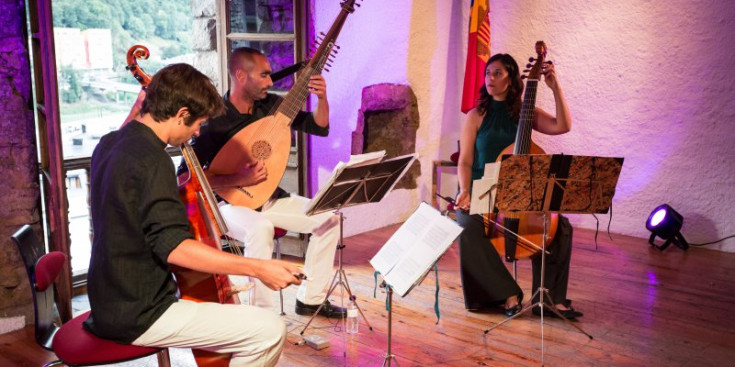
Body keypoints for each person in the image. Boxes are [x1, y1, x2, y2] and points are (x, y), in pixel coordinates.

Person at [84, 63, 303, 367]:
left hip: (107, 302)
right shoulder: (154, 160)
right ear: (181, 113)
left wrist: (139, 106)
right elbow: (174, 247)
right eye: (197, 123)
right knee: (269, 330)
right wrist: (258, 268)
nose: (198, 132)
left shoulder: (110, 142)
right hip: (141, 313)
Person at [180, 47, 345, 318]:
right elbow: (186, 175)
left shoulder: (269, 105)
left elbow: (318, 126)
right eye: (264, 75)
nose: (271, 82)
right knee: (261, 228)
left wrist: (322, 97)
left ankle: (310, 300)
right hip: (228, 204)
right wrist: (237, 178)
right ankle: (262, 315)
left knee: (329, 218)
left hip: (267, 198)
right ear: (241, 75)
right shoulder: (213, 124)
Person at [454, 53, 583, 319]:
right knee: (465, 226)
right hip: (484, 188)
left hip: (521, 190)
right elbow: (465, 161)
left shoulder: (526, 112)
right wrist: (465, 190)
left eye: (498, 73)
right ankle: (506, 293)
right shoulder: (477, 115)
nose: (490, 78)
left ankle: (548, 300)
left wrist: (555, 86)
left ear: (512, 79)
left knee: (561, 227)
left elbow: (563, 126)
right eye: (488, 73)